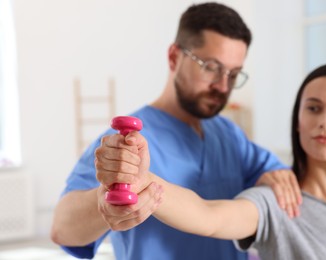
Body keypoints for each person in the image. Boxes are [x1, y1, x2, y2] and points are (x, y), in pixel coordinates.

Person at [51, 2, 301, 260]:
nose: (223, 86)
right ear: (174, 57)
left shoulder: (229, 135)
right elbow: (62, 229)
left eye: (234, 74)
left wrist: (277, 176)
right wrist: (105, 199)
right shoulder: (128, 142)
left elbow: (279, 175)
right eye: (212, 67)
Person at [105, 63, 326, 259]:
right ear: (298, 122)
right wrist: (144, 181)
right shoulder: (276, 203)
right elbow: (207, 216)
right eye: (314, 108)